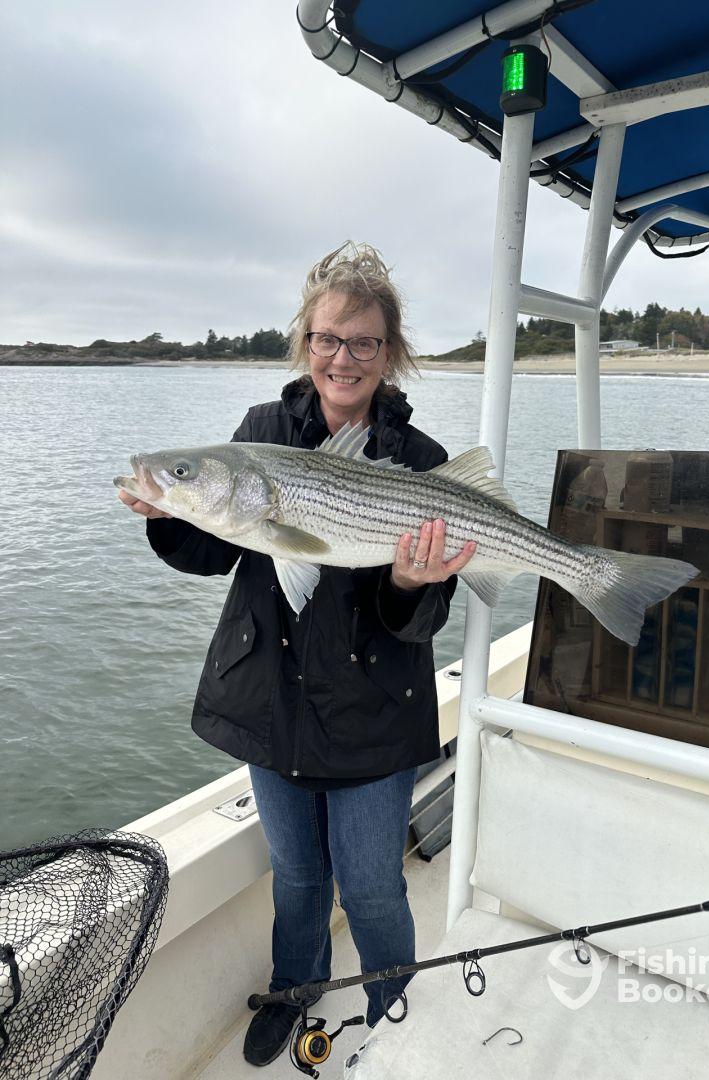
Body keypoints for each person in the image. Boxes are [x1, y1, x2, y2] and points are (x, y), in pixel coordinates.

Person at [118, 242, 476, 1067]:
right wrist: (169, 508)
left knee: (375, 885)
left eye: (363, 343)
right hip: (270, 706)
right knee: (299, 880)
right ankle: (294, 989)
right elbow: (221, 554)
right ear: (303, 341)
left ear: (391, 355)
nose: (341, 359)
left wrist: (411, 583)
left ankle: (396, 1010)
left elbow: (418, 620)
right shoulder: (261, 435)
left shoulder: (419, 463)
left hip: (373, 718)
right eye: (326, 339)